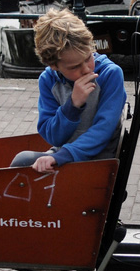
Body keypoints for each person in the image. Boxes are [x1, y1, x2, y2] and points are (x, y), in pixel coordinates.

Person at [10, 9, 126, 173]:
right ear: (54, 66)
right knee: (22, 161)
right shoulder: (48, 80)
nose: (86, 69)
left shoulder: (110, 74)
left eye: (88, 58)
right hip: (64, 154)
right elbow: (53, 137)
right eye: (75, 67)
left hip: (98, 159)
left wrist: (60, 156)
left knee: (24, 164)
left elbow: (103, 130)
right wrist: (72, 106)